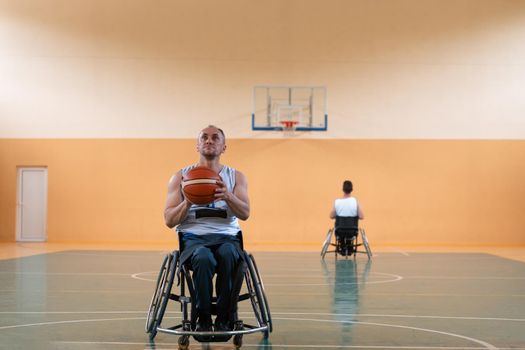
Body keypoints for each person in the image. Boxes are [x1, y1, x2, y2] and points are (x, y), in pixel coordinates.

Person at [164, 125, 250, 333]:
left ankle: (224, 317)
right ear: (197, 144)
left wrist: (228, 196)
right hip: (194, 238)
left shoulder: (236, 176)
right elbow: (168, 219)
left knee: (229, 254)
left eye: (215, 138)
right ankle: (202, 318)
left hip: (227, 238)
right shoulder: (181, 177)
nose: (209, 141)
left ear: (223, 147)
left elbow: (245, 213)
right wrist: (187, 202)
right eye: (204, 137)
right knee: (203, 257)